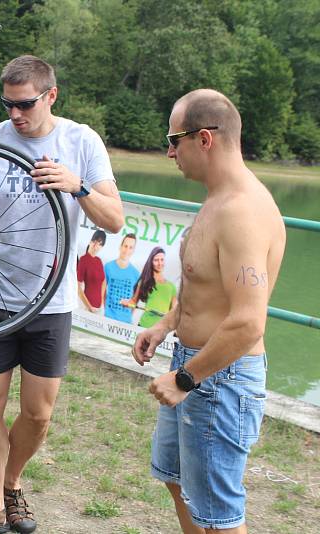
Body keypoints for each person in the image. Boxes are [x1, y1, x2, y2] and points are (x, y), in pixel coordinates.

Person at [0, 55, 123, 534]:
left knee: (38, 414)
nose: (14, 115)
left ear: (51, 95)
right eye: (7, 104)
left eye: (24, 104)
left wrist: (76, 185)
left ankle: (13, 483)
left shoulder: (81, 141)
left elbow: (115, 219)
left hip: (52, 300)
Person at [132, 89, 285, 534]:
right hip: (195, 364)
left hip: (220, 378)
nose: (168, 151)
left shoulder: (242, 211)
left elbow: (248, 321)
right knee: (178, 483)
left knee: (219, 513)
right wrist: (165, 324)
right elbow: (203, 284)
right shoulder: (216, 199)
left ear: (204, 139)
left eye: (173, 140)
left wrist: (185, 379)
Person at [121, 246, 176, 327]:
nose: (160, 263)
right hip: (144, 325)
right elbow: (133, 301)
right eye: (156, 260)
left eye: (162, 260)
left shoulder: (171, 286)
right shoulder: (144, 282)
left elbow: (174, 311)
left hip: (161, 330)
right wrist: (126, 302)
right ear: (151, 262)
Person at [103, 233, 140, 323]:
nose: (127, 250)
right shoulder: (108, 267)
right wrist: (106, 310)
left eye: (130, 247)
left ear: (133, 251)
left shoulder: (136, 273)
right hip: (108, 318)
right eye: (125, 246)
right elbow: (103, 292)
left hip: (126, 322)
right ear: (120, 246)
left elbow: (135, 300)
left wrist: (128, 315)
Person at [77, 229, 107, 313]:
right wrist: (89, 307)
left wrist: (101, 300)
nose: (96, 246)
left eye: (100, 244)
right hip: (86, 307)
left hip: (99, 308)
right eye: (95, 241)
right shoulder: (83, 260)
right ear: (90, 241)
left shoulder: (99, 261)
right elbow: (78, 288)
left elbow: (104, 281)